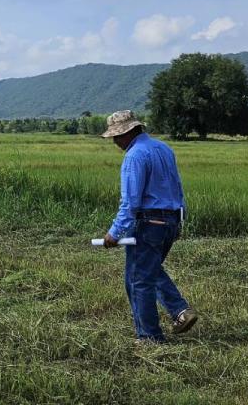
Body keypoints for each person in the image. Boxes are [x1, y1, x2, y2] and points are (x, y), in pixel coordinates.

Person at [100, 110, 197, 343]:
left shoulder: (135, 155)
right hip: (170, 221)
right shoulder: (163, 148)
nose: (115, 141)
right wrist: (179, 220)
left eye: (117, 136)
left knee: (139, 280)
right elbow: (177, 187)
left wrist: (114, 233)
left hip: (148, 223)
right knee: (147, 271)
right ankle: (180, 311)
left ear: (130, 131)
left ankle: (150, 337)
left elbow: (130, 201)